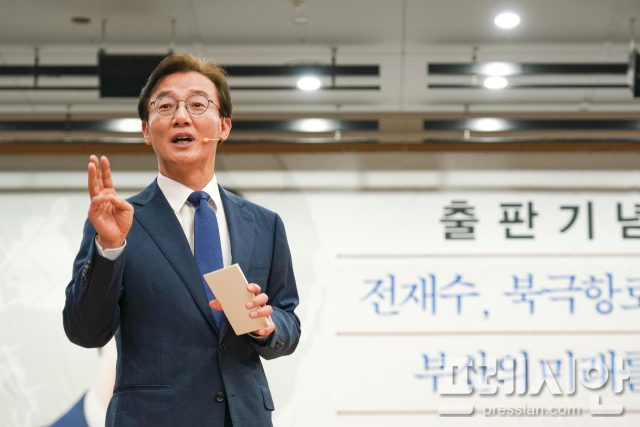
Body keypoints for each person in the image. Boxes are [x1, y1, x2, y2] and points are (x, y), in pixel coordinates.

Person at [62, 54, 301, 427]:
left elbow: (288, 320)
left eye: (198, 104)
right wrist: (109, 250)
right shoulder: (117, 222)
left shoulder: (264, 224)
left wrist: (267, 325)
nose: (181, 116)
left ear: (223, 126)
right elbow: (85, 331)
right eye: (165, 106)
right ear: (147, 130)